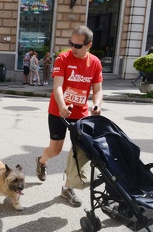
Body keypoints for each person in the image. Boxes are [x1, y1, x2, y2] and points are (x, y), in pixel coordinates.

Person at [36, 25, 103, 207]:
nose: (73, 48)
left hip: (80, 114)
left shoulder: (95, 62)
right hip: (58, 111)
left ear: (88, 45)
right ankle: (41, 161)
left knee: (78, 152)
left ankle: (67, 188)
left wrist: (96, 105)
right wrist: (62, 105)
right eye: (71, 43)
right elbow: (57, 86)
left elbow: (97, 90)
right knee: (55, 150)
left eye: (78, 45)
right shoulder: (63, 58)